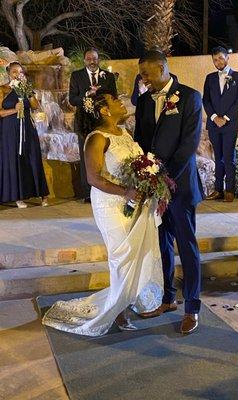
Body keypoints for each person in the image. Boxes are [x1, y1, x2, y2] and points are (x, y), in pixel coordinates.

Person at [42, 89, 163, 336]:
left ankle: (127, 299)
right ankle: (118, 311)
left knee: (135, 254)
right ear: (104, 110)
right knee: (121, 257)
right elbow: (93, 178)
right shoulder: (96, 138)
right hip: (110, 204)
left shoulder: (124, 132)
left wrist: (148, 183)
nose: (121, 102)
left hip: (133, 201)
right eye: (115, 100)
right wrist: (125, 191)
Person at [134, 50, 203, 335]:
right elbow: (140, 140)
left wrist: (162, 178)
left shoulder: (189, 97)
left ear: (162, 68)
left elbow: (189, 145)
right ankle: (167, 298)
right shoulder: (142, 101)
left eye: (147, 74)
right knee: (161, 244)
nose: (144, 80)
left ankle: (192, 308)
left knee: (187, 246)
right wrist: (143, 174)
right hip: (154, 187)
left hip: (181, 186)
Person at [69, 48, 117, 202]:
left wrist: (100, 96)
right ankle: (87, 193)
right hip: (84, 122)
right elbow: (72, 99)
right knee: (86, 156)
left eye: (95, 58)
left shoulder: (108, 76)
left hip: (103, 122)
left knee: (104, 154)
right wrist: (86, 96)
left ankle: (106, 189)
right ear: (84, 60)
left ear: (98, 59)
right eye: (89, 58)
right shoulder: (76, 76)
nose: (92, 61)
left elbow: (114, 97)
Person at [0, 62, 49, 208]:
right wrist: (15, 110)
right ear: (8, 72)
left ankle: (43, 194)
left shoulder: (25, 88)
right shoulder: (3, 89)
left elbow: (35, 106)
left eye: (20, 72)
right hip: (10, 129)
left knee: (33, 156)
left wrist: (27, 91)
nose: (17, 74)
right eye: (14, 72)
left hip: (28, 127)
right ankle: (18, 197)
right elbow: (0, 112)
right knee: (15, 159)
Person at [203, 46, 238, 202]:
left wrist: (225, 117)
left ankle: (230, 190)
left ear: (228, 58)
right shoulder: (210, 78)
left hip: (230, 124)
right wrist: (214, 117)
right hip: (214, 125)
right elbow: (205, 100)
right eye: (215, 59)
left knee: (229, 157)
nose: (218, 61)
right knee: (217, 157)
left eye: (220, 58)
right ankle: (218, 189)